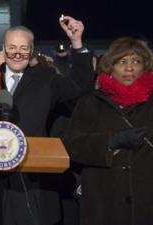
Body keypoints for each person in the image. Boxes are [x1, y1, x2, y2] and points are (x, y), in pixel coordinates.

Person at [0, 16, 94, 225]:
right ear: (3, 48)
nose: (17, 53)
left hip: (34, 180)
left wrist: (77, 43)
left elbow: (80, 87)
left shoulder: (46, 78)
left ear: (32, 49)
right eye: (11, 47)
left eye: (23, 48)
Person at [63, 37, 153, 225]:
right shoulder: (91, 102)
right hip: (102, 206)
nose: (130, 68)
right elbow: (71, 144)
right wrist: (111, 142)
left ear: (145, 67)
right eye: (122, 61)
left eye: (137, 61)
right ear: (110, 67)